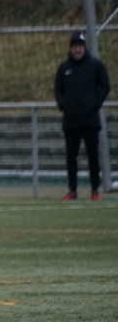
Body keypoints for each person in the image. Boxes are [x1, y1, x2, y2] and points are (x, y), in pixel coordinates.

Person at [54, 30, 111, 201]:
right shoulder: (64, 68)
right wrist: (63, 105)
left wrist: (95, 105)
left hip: (90, 121)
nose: (77, 49)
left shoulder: (95, 66)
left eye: (80, 46)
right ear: (71, 48)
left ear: (84, 47)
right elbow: (58, 89)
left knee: (93, 156)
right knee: (71, 157)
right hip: (71, 121)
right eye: (75, 46)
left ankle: (95, 190)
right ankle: (72, 190)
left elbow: (105, 86)